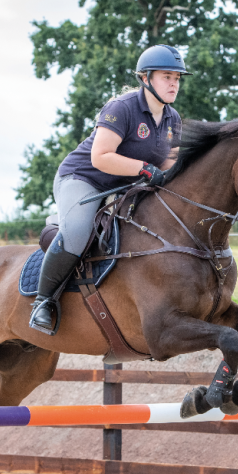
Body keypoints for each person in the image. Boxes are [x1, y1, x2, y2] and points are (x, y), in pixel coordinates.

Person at [29, 44, 190, 335]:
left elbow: (168, 161)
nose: (174, 83)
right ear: (145, 78)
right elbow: (100, 157)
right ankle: (43, 302)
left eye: (177, 78)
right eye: (167, 76)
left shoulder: (172, 118)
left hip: (124, 186)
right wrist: (144, 169)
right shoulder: (123, 108)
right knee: (78, 231)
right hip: (83, 179)